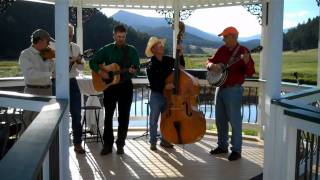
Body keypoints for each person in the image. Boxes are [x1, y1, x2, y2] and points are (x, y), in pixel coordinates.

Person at [89, 25, 140, 155]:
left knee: (124, 117)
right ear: (114, 35)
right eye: (118, 36)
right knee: (108, 117)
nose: (121, 39)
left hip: (125, 86)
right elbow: (92, 62)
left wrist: (134, 70)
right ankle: (107, 145)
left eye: (123, 37)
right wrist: (101, 71)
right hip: (110, 87)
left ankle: (121, 144)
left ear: (125, 36)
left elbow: (137, 67)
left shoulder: (132, 50)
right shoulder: (106, 49)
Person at [207, 27, 255, 161]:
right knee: (220, 120)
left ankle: (236, 150)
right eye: (223, 37)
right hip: (220, 88)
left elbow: (251, 72)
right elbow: (210, 61)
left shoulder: (243, 51)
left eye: (225, 37)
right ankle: (222, 146)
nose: (223, 39)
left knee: (235, 121)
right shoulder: (222, 49)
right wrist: (211, 66)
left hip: (233, 90)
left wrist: (246, 62)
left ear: (234, 36)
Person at [145, 36, 185, 151]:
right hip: (157, 95)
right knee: (153, 120)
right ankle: (153, 142)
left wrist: (180, 54)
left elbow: (181, 67)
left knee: (167, 120)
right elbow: (152, 82)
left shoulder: (168, 59)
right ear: (153, 49)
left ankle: (165, 141)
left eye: (161, 44)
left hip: (170, 95)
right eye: (159, 45)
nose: (162, 46)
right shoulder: (150, 64)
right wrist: (164, 86)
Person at [52, 23, 86, 154]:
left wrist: (78, 62)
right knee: (58, 115)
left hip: (72, 82)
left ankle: (77, 143)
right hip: (57, 82)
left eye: (71, 35)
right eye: (67, 35)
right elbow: (52, 67)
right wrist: (70, 60)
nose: (70, 37)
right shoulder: (52, 47)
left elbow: (82, 67)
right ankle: (59, 144)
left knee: (77, 114)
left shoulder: (76, 47)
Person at [19, 29, 55, 131]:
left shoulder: (46, 53)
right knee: (27, 122)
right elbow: (30, 75)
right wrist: (49, 74)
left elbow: (53, 69)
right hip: (32, 91)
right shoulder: (25, 54)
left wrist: (52, 60)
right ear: (40, 41)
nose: (49, 45)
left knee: (44, 123)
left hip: (47, 90)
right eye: (47, 42)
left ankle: (42, 147)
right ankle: (24, 146)